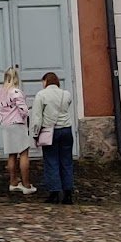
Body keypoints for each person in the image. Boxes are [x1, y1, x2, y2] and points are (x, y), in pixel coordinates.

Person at [30, 70, 78, 204]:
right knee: (66, 161)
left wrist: (35, 134)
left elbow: (37, 117)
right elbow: (66, 106)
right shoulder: (66, 94)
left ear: (45, 82)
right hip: (66, 129)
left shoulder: (41, 95)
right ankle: (68, 193)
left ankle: (54, 192)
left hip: (49, 131)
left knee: (51, 161)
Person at [0, 65, 35, 195]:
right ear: (16, 78)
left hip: (6, 124)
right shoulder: (15, 92)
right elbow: (23, 110)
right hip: (17, 124)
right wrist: (27, 115)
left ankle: (13, 181)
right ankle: (26, 184)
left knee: (11, 154)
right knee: (24, 153)